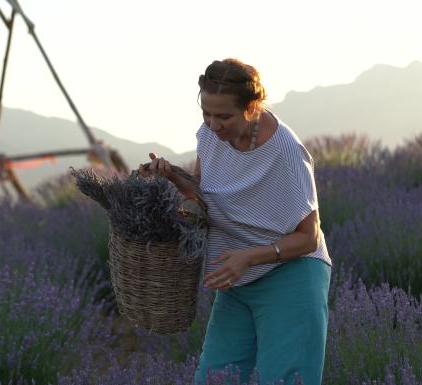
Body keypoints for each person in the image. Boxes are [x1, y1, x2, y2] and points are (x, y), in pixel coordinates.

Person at [138, 58, 332, 385]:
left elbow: (309, 237)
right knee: (214, 378)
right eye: (206, 114)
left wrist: (250, 256)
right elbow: (205, 198)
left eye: (224, 116)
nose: (213, 125)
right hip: (235, 275)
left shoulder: (286, 151)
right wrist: (173, 178)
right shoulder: (210, 135)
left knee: (285, 380)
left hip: (290, 273)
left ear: (252, 107)